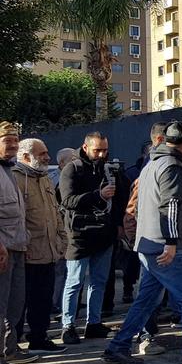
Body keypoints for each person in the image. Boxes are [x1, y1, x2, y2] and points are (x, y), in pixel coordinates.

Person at [103, 121, 182, 364]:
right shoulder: (172, 167)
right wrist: (171, 242)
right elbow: (171, 205)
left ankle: (118, 346)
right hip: (168, 247)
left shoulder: (152, 165)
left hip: (149, 244)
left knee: (147, 299)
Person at [59, 132, 129, 345]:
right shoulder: (73, 168)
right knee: (74, 281)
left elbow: (120, 199)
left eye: (105, 150)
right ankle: (68, 325)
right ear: (86, 147)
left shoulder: (109, 169)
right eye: (97, 150)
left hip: (104, 233)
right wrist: (98, 195)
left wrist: (118, 224)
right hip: (80, 234)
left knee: (99, 281)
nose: (101, 154)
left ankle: (94, 323)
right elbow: (67, 200)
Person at [13, 139, 68, 355]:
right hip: (26, 252)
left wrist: (62, 239)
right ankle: (13, 344)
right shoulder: (15, 178)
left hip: (49, 250)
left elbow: (55, 211)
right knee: (19, 302)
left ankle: (39, 337)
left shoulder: (44, 178)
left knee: (43, 299)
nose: (47, 157)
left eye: (47, 152)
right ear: (26, 157)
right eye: (42, 154)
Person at [122, 122, 168, 356]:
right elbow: (132, 211)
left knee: (152, 294)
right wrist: (135, 241)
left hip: (165, 245)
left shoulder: (165, 167)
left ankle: (123, 342)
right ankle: (143, 336)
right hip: (153, 245)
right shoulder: (150, 171)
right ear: (160, 141)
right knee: (150, 295)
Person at [0, 122, 30, 364]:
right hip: (2, 251)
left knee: (14, 304)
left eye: (15, 141)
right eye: (7, 141)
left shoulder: (10, 171)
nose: (12, 146)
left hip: (17, 247)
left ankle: (10, 350)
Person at [51, 147, 77, 315]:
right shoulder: (53, 180)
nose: (76, 161)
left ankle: (66, 303)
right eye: (72, 158)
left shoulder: (77, 175)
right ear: (61, 163)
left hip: (72, 231)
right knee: (59, 271)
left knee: (70, 272)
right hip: (58, 232)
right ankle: (55, 303)